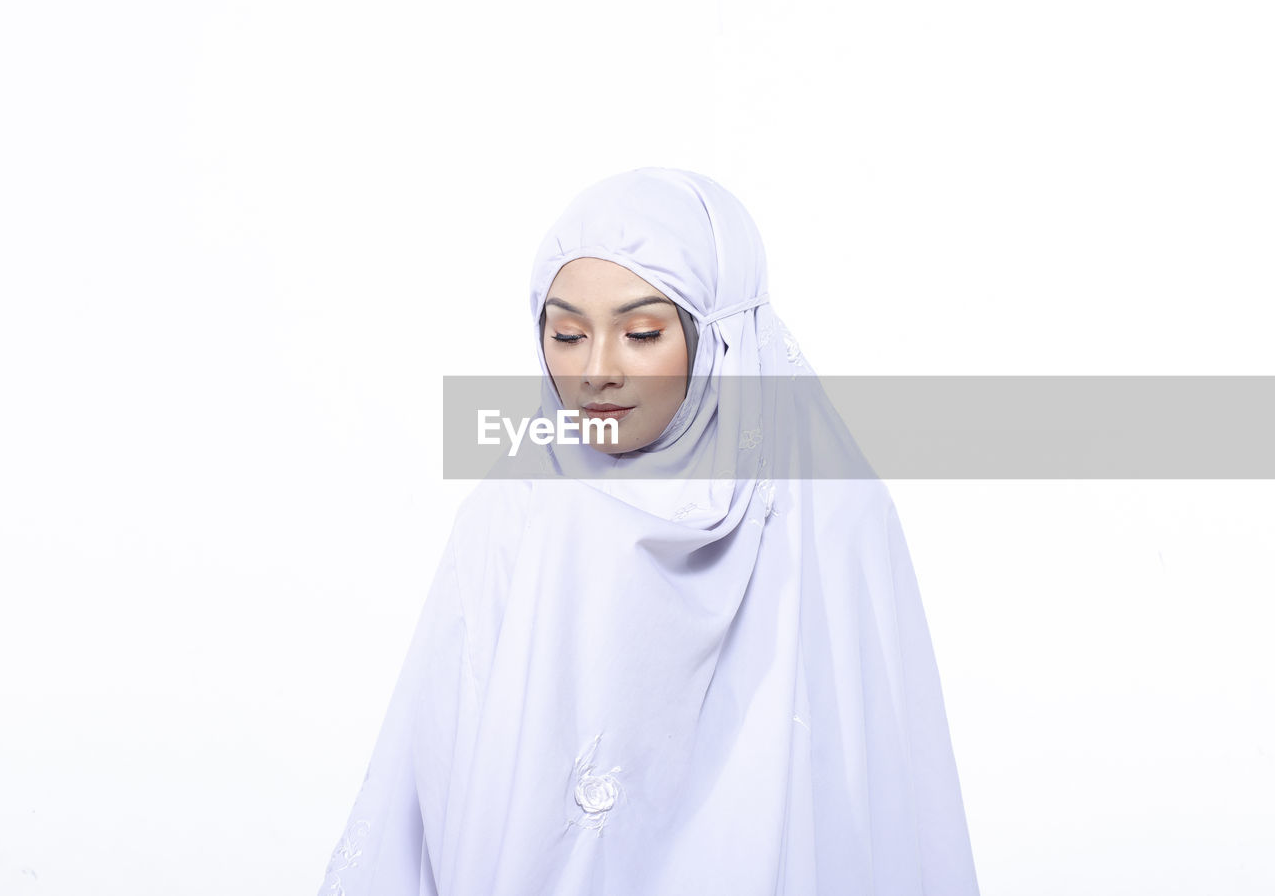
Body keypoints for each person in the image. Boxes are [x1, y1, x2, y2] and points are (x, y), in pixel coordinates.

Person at [316, 167, 980, 895]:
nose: (595, 370)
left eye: (640, 333)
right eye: (566, 333)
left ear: (721, 341)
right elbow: (441, 783)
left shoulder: (829, 516)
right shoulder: (515, 513)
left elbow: (877, 792)